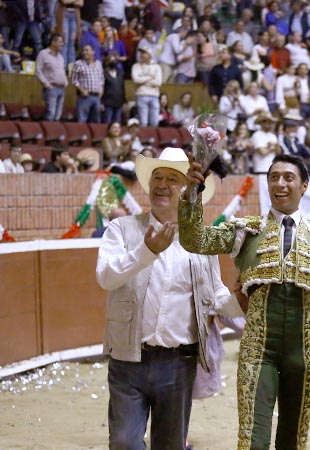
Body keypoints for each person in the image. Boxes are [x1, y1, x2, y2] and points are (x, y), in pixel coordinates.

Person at [179, 153, 310, 450]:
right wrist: (192, 193)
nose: (280, 184)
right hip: (258, 348)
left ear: (304, 185)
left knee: (293, 439)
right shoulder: (246, 228)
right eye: (274, 177)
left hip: (304, 351)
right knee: (252, 439)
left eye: (288, 177)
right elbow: (195, 241)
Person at [96, 147, 244, 450]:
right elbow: (106, 277)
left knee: (170, 445)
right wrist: (146, 251)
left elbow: (214, 293)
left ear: (189, 188)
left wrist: (239, 302)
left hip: (178, 362)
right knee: (123, 442)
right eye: (157, 177)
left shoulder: (200, 240)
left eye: (172, 179)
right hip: (129, 358)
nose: (162, 185)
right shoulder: (122, 228)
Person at [35, 33, 68, 122]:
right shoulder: (43, 54)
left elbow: (62, 70)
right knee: (51, 112)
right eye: (60, 42)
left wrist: (65, 81)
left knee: (58, 114)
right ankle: (48, 131)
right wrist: (46, 84)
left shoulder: (61, 57)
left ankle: (55, 132)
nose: (62, 44)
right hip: (51, 87)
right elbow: (38, 70)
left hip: (61, 87)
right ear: (53, 42)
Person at [71, 44, 104, 123]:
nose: (84, 52)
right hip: (85, 96)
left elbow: (101, 79)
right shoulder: (78, 63)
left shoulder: (98, 64)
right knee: (82, 119)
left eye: (87, 50)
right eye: (83, 50)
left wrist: (102, 89)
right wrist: (81, 90)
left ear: (93, 52)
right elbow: (74, 79)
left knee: (96, 121)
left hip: (96, 96)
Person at [132, 44, 162, 127]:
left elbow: (158, 82)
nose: (141, 55)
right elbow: (136, 80)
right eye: (141, 53)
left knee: (155, 123)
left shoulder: (157, 67)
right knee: (143, 123)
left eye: (144, 53)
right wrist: (150, 77)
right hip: (141, 95)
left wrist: (143, 80)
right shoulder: (136, 66)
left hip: (154, 96)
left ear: (149, 55)